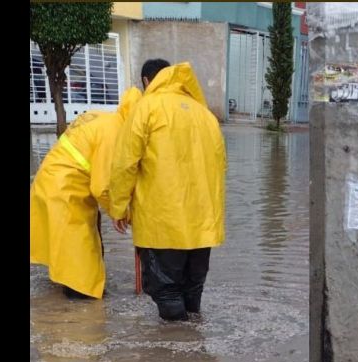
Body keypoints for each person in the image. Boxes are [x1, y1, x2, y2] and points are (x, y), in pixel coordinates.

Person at [109, 59, 226, 321]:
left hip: (161, 223)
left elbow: (125, 163)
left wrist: (117, 206)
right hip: (202, 225)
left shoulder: (146, 108)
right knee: (193, 291)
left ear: (147, 82)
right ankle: (198, 351)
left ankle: (176, 353)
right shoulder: (205, 114)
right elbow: (221, 166)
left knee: (167, 293)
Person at [30, 87, 143, 299]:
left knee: (71, 253)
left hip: (52, 183)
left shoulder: (105, 118)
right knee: (82, 281)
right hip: (65, 192)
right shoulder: (115, 132)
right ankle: (79, 323)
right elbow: (103, 185)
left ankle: (59, 309)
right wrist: (121, 213)